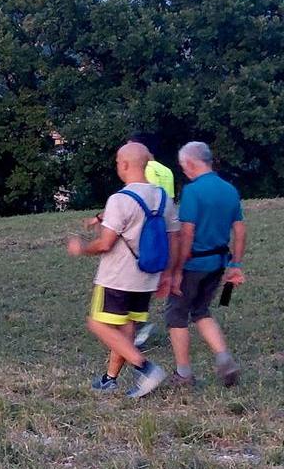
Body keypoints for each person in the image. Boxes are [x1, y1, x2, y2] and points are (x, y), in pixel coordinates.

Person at [67, 142, 176, 397]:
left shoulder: (120, 199)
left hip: (117, 278)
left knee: (97, 324)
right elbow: (173, 237)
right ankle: (110, 379)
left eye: (117, 161)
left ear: (125, 164)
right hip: (147, 277)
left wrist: (81, 248)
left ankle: (145, 369)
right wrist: (168, 274)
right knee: (126, 327)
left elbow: (105, 244)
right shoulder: (163, 197)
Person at [165, 141, 247, 387]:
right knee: (201, 311)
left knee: (176, 315)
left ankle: (183, 374)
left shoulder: (193, 191)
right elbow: (240, 231)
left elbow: (187, 233)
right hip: (218, 262)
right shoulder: (229, 189)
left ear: (190, 163)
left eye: (183, 166)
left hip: (194, 264)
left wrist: (177, 270)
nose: (183, 170)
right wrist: (236, 264)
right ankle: (224, 358)